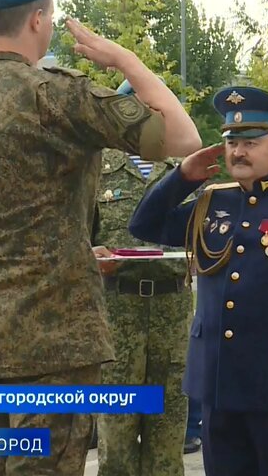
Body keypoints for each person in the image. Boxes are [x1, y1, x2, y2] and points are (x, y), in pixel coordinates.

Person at [0, 0, 201, 473]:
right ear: (39, 19)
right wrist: (125, 60)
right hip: (56, 349)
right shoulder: (60, 96)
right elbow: (183, 136)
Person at [128, 86, 268, 476]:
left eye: (251, 142)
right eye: (232, 141)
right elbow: (144, 224)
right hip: (219, 386)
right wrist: (183, 177)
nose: (238, 151)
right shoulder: (212, 201)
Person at [92, 79, 192, 476]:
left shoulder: (184, 169)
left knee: (168, 432)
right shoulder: (98, 168)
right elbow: (77, 235)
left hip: (173, 306)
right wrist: (90, 254)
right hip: (118, 308)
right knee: (116, 432)